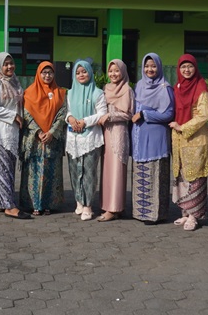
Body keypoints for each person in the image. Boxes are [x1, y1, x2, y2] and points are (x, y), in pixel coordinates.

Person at [169, 54, 208, 231]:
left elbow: (203, 115)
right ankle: (185, 213)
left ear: (196, 68)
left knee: (195, 177)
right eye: (183, 67)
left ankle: (195, 216)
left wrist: (182, 127)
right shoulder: (177, 87)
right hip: (178, 139)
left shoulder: (201, 87)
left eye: (190, 66)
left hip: (195, 138)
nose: (186, 70)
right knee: (182, 176)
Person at [0, 52, 31, 220]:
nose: (9, 66)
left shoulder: (14, 82)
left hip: (12, 132)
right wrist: (13, 116)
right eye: (5, 64)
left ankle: (0, 202)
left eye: (11, 63)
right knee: (5, 168)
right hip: (0, 133)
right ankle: (9, 206)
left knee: (3, 168)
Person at [20, 61, 68, 215]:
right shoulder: (29, 92)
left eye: (50, 72)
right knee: (33, 172)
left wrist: (52, 132)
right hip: (34, 140)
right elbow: (26, 114)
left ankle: (49, 204)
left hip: (53, 141)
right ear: (39, 74)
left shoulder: (60, 93)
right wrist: (38, 132)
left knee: (51, 172)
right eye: (44, 72)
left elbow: (62, 114)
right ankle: (34, 204)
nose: (47, 76)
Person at [132, 53, 174, 225]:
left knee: (156, 176)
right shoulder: (139, 85)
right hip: (139, 138)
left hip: (156, 140)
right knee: (141, 174)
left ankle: (155, 214)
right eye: (147, 66)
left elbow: (168, 114)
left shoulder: (165, 88)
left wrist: (145, 114)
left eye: (153, 66)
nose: (150, 69)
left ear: (159, 67)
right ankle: (140, 212)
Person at [65, 59, 105, 221]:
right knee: (74, 170)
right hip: (73, 137)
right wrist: (71, 118)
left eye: (84, 71)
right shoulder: (70, 93)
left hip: (90, 137)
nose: (81, 75)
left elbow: (102, 114)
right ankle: (79, 201)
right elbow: (67, 111)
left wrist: (84, 121)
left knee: (89, 172)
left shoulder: (98, 93)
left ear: (90, 72)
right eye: (78, 72)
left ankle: (88, 205)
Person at [97, 59, 133, 222]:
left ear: (123, 72)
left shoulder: (127, 90)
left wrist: (110, 116)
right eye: (110, 71)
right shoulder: (105, 89)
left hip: (119, 133)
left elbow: (129, 114)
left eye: (117, 71)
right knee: (106, 169)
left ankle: (114, 208)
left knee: (117, 169)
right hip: (106, 133)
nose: (113, 74)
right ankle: (107, 205)